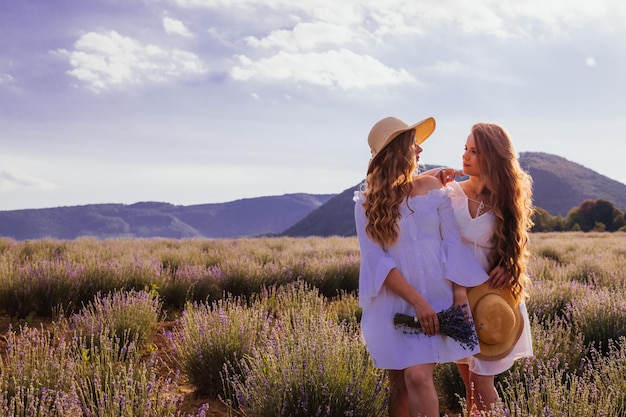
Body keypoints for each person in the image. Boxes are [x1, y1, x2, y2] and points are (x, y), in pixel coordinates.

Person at [390, 122, 535, 416]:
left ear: (492, 157)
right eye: (465, 149)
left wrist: (509, 267)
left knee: (482, 384)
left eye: (475, 151)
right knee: (468, 382)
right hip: (455, 297)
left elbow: (516, 245)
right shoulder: (450, 191)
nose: (465, 156)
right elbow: (410, 191)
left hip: (489, 298)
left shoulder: (506, 200)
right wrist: (433, 174)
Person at [354, 116, 488, 417]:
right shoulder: (365, 203)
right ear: (399, 150)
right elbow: (376, 260)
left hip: (440, 300)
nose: (420, 150)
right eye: (414, 143)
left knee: (415, 376)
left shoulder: (430, 186)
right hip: (398, 306)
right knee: (402, 382)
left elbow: (451, 243)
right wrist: (418, 302)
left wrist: (459, 294)